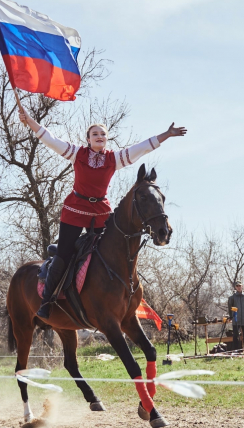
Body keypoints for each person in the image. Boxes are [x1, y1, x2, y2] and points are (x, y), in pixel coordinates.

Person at [18, 107, 187, 318]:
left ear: (107, 139)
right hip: (75, 210)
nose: (99, 137)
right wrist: (30, 120)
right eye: (95, 134)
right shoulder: (77, 154)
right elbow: (50, 139)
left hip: (100, 212)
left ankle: (121, 296)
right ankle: (47, 300)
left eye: (103, 134)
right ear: (88, 139)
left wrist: (167, 135)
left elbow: (141, 148)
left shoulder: (113, 159)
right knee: (63, 254)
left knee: (114, 250)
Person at [227, 281, 244, 349]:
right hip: (236, 319)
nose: (239, 287)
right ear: (235, 287)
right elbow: (230, 307)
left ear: (242, 286)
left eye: (239, 286)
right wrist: (231, 316)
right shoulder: (232, 297)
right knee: (235, 335)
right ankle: (236, 349)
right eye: (237, 286)